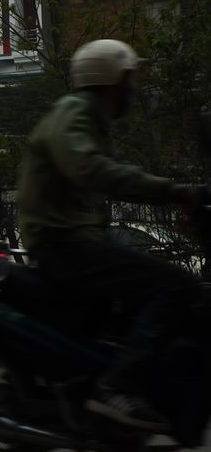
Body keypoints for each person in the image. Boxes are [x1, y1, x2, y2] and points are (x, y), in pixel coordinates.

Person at [16, 38, 204, 432]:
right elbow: (92, 170)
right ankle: (115, 387)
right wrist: (170, 190)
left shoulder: (89, 120)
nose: (134, 89)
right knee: (175, 286)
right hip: (64, 244)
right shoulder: (74, 113)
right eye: (130, 80)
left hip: (75, 241)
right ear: (113, 80)